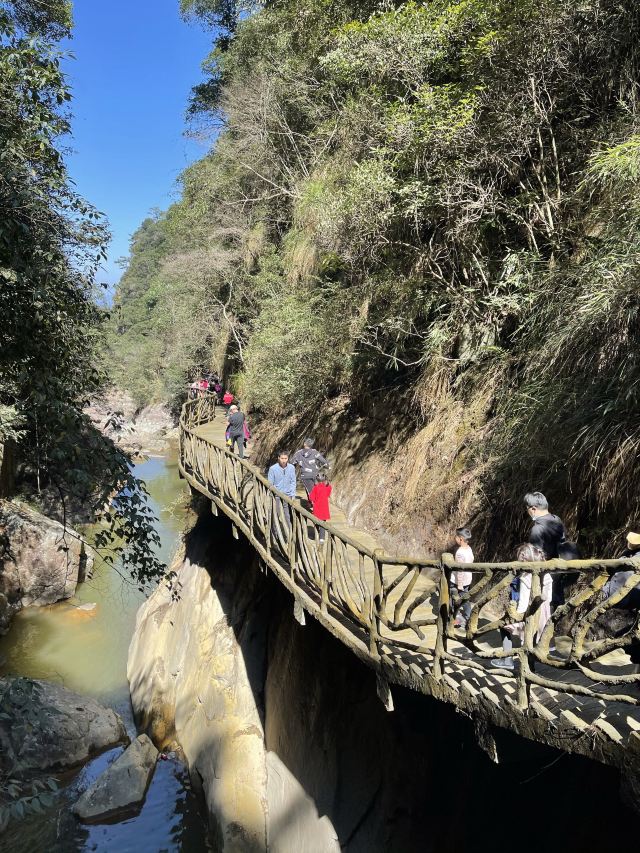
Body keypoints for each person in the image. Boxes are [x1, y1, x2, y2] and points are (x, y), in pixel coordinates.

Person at [491, 543, 552, 670]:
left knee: (504, 626)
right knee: (532, 639)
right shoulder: (547, 575)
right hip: (544, 614)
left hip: (530, 612)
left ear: (524, 561)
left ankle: (508, 659)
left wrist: (515, 617)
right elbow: (549, 598)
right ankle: (531, 668)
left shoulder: (525, 578)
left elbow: (523, 603)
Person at [524, 491, 566, 558]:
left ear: (533, 509)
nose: (527, 512)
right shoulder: (557, 519)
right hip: (561, 563)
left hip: (547, 567)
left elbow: (535, 558)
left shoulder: (537, 529)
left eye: (527, 509)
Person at [449, 527, 474, 629]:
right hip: (467, 579)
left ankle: (456, 618)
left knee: (454, 600)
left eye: (456, 537)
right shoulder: (469, 548)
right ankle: (469, 617)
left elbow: (460, 570)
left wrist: (459, 584)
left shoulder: (459, 552)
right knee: (465, 599)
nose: (454, 538)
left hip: (458, 581)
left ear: (461, 539)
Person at [268, 451, 297, 531]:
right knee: (276, 515)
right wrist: (275, 493)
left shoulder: (291, 467)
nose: (284, 460)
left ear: (288, 458)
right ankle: (275, 533)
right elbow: (270, 484)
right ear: (278, 458)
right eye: (282, 458)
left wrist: (292, 494)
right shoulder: (273, 469)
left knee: (288, 515)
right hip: (276, 496)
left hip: (288, 496)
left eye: (285, 458)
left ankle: (290, 533)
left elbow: (293, 481)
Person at [309, 472, 332, 543]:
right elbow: (328, 493)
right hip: (324, 509)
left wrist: (310, 502)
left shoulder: (315, 488)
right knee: (323, 523)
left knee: (316, 522)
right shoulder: (327, 487)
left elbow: (311, 498)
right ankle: (322, 538)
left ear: (316, 480)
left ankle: (316, 534)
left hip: (317, 508)